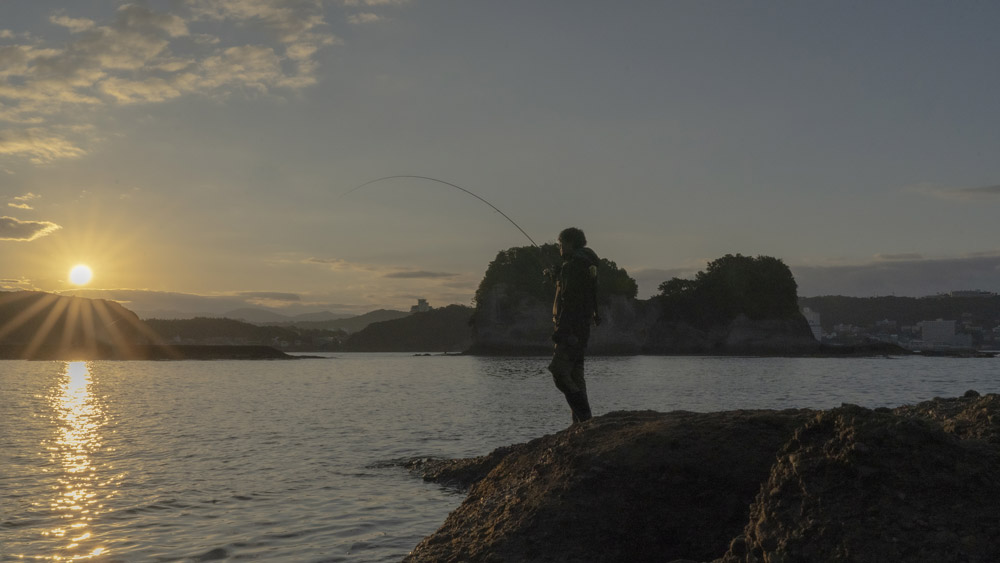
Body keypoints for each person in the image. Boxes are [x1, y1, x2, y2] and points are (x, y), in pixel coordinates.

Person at [546, 227, 601, 424]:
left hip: (571, 329)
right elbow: (577, 293)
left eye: (560, 244)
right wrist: (558, 278)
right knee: (576, 375)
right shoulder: (586, 264)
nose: (559, 248)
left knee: (559, 372)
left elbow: (570, 301)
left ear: (569, 243)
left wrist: (561, 332)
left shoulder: (572, 266)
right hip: (582, 328)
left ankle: (585, 419)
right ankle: (579, 425)